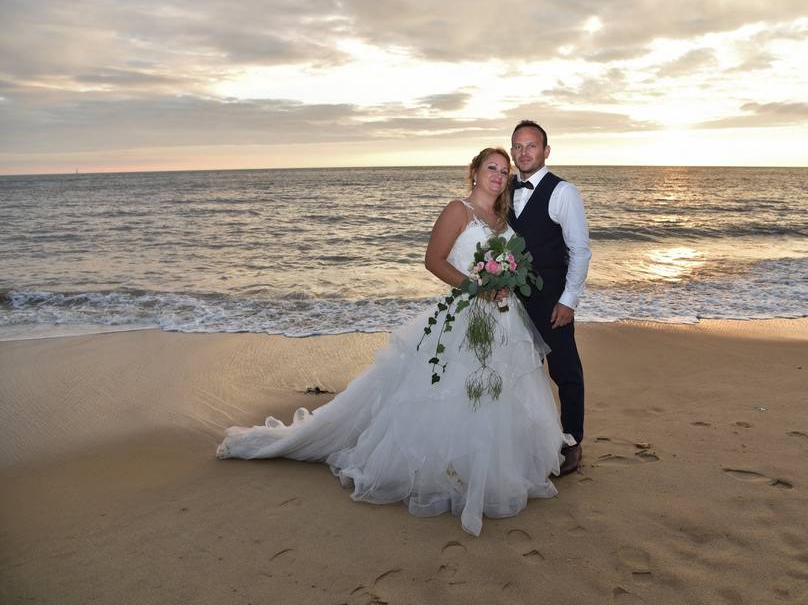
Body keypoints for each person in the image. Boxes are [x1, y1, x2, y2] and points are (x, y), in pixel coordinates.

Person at [216, 147, 569, 536]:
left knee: (500, 391)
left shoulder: (503, 218)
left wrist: (506, 283)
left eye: (504, 170)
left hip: (504, 318)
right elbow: (433, 260)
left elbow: (513, 262)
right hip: (467, 312)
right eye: (492, 168)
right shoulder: (458, 210)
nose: (499, 175)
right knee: (454, 391)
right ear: (474, 171)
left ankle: (495, 468)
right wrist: (475, 286)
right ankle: (451, 471)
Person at [508, 120, 591, 476]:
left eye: (531, 146)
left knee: (564, 371)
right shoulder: (504, 189)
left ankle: (572, 440)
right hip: (511, 298)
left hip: (551, 299)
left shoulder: (563, 192)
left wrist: (568, 300)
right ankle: (529, 437)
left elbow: (580, 249)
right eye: (518, 146)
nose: (524, 152)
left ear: (546, 151)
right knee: (520, 371)